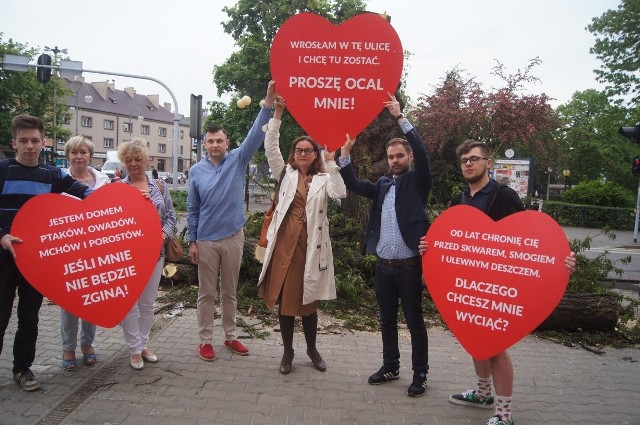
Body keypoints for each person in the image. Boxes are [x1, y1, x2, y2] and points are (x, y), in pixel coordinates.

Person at [418, 139, 576, 425]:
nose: (468, 163)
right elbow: (449, 240)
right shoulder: (459, 200)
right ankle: (482, 394)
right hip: (468, 284)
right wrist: (429, 249)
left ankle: (504, 413)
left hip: (498, 287)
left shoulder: (504, 196)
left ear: (488, 163)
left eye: (474, 159)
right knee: (473, 338)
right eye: (464, 159)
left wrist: (560, 261)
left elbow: (530, 241)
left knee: (496, 346)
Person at [338, 94, 432, 397]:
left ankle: (420, 374)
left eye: (399, 156)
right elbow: (352, 185)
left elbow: (422, 152)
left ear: (408, 158)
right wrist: (345, 156)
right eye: (391, 157)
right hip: (384, 267)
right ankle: (391, 366)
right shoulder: (380, 185)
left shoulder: (418, 182)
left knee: (415, 323)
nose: (394, 160)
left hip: (409, 268)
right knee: (387, 320)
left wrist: (400, 117)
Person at [0, 114, 93, 391]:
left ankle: (22, 369)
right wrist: (2, 236)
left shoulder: (52, 174)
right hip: (4, 258)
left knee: (29, 318)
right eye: (24, 140)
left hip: (34, 261)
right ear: (14, 142)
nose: (30, 146)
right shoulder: (2, 171)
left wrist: (124, 199)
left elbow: (86, 193)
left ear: (43, 143)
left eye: (35, 141)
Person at [188, 81, 276, 361]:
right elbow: (193, 208)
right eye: (210, 141)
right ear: (205, 144)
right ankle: (205, 340)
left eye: (220, 141)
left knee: (230, 291)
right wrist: (191, 240)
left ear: (227, 143)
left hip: (234, 237)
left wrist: (268, 104)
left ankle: (230, 337)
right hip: (205, 239)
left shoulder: (237, 160)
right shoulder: (196, 172)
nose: (215, 145)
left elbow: (254, 136)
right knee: (206, 293)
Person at [257, 96, 346, 374]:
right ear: (294, 154)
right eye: (299, 150)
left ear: (315, 154)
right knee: (285, 301)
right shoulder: (285, 173)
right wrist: (278, 114)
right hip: (285, 244)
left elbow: (340, 194)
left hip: (311, 246)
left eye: (309, 150)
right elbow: (271, 146)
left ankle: (312, 348)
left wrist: (332, 165)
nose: (303, 154)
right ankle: (287, 352)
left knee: (309, 302)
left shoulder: (324, 179)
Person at [118, 138, 176, 370]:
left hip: (154, 254)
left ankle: (143, 344)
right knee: (130, 303)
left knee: (148, 303)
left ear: (146, 160)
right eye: (128, 160)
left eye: (137, 159)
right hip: (128, 255)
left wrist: (163, 235)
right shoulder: (119, 188)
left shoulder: (159, 186)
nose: (133, 164)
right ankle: (133, 349)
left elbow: (171, 216)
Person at [60, 136, 110, 371]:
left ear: (90, 155)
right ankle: (68, 348)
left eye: (83, 152)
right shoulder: (58, 180)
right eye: (74, 152)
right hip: (68, 252)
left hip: (96, 251)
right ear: (67, 155)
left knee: (93, 299)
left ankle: (87, 344)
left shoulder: (102, 180)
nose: (78, 156)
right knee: (69, 302)